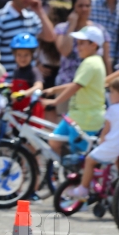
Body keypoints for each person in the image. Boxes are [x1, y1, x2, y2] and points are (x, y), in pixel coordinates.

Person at [70, 76, 119, 201]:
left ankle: (83, 188)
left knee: (90, 160)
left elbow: (106, 130)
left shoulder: (113, 109)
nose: (110, 95)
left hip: (114, 145)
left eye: (112, 92)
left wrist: (102, 140)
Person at [42, 26, 107, 156]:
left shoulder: (90, 63)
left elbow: (76, 86)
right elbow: (77, 84)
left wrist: (55, 101)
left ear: (94, 45)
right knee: (54, 140)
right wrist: (53, 90)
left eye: (82, 43)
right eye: (77, 43)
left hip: (86, 120)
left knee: (79, 159)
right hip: (75, 116)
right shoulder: (93, 61)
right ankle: (61, 170)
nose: (78, 47)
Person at [54, 0, 112, 87]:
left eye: (87, 6)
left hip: (91, 85)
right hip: (66, 84)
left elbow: (106, 59)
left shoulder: (99, 30)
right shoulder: (62, 28)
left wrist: (109, 81)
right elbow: (64, 51)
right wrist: (72, 25)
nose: (84, 9)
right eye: (80, 6)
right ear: (74, 7)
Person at [8, 33, 45, 110]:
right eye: (19, 55)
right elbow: (16, 86)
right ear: (14, 55)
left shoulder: (34, 71)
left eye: (26, 55)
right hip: (17, 109)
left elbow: (39, 86)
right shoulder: (16, 70)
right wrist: (7, 87)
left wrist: (25, 93)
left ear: (32, 55)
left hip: (30, 111)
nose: (22, 58)